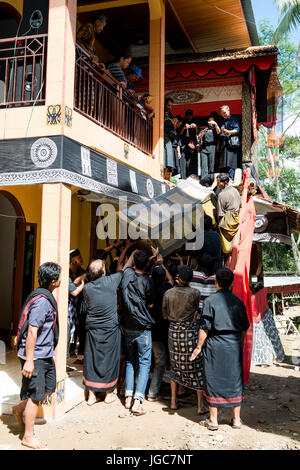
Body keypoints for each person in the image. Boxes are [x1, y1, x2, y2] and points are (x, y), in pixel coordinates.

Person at [190, 268, 250, 431]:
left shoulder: (209, 302)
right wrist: (240, 343)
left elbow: (204, 328)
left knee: (213, 377)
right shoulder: (239, 302)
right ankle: (236, 419)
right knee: (234, 379)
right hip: (233, 345)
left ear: (216, 282)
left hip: (215, 345)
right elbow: (245, 328)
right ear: (231, 284)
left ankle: (213, 420)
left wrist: (198, 347)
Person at [13, 262, 61, 449]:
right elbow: (33, 331)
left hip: (45, 353)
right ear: (53, 281)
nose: (60, 280)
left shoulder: (44, 296)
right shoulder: (42, 302)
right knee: (35, 394)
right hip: (36, 355)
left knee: (48, 387)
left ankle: (19, 409)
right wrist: (30, 361)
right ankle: (28, 436)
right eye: (59, 277)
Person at [162, 265, 207, 415]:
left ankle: (173, 401)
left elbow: (164, 315)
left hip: (173, 332)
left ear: (177, 278)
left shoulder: (168, 293)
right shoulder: (195, 293)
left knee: (175, 366)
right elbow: (195, 311)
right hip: (190, 332)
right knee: (196, 367)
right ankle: (201, 405)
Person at [117, 245, 156, 415]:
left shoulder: (126, 276)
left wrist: (133, 252)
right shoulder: (148, 281)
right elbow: (150, 304)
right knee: (144, 362)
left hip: (127, 327)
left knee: (131, 361)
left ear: (134, 262)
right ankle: (138, 401)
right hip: (143, 328)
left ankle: (127, 398)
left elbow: (125, 267)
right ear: (147, 265)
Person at [83, 259, 123, 406]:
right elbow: (123, 270)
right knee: (110, 360)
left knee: (91, 360)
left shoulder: (87, 288)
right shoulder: (111, 281)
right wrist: (128, 251)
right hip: (110, 328)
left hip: (93, 328)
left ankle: (92, 396)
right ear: (103, 271)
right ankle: (108, 393)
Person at [147, 264, 174, 401]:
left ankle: (136, 390)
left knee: (144, 362)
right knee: (160, 363)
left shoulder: (147, 287)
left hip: (146, 330)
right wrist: (163, 264)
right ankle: (152, 393)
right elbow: (171, 281)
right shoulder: (167, 289)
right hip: (160, 332)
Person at [217, 174, 241, 255]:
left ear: (224, 183)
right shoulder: (236, 191)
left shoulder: (221, 195)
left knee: (225, 244)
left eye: (218, 182)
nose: (217, 185)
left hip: (227, 220)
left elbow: (220, 214)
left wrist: (218, 224)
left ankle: (226, 254)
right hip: (237, 218)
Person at [69, 249, 86, 356]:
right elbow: (74, 287)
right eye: (78, 257)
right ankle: (70, 351)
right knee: (71, 327)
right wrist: (82, 281)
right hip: (70, 304)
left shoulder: (81, 271)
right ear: (72, 260)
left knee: (79, 326)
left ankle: (77, 350)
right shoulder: (68, 272)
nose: (81, 259)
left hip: (80, 304)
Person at [218, 105, 240, 179]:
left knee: (231, 163)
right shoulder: (221, 120)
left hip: (231, 144)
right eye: (222, 113)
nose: (223, 115)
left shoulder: (234, 119)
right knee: (223, 164)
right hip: (223, 144)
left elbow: (237, 130)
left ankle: (231, 179)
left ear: (229, 110)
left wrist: (228, 132)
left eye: (224, 113)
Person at [198, 113, 221, 177]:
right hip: (204, 149)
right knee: (204, 165)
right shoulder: (204, 128)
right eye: (209, 121)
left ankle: (211, 178)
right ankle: (203, 179)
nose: (210, 122)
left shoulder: (215, 128)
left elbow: (219, 132)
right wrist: (203, 132)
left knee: (211, 165)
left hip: (212, 148)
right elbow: (199, 137)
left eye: (211, 121)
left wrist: (215, 124)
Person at [179, 109, 199, 178]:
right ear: (185, 116)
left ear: (192, 116)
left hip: (192, 146)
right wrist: (184, 128)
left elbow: (198, 133)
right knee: (183, 163)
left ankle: (192, 178)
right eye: (187, 116)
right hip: (184, 146)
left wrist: (195, 127)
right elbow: (179, 133)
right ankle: (183, 177)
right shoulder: (182, 123)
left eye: (190, 116)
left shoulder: (195, 122)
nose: (189, 117)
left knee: (192, 163)